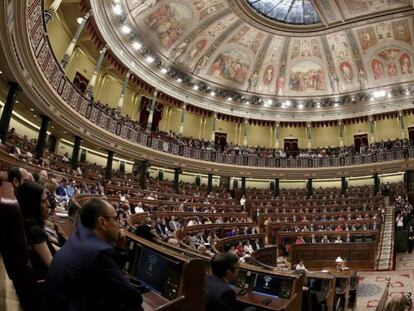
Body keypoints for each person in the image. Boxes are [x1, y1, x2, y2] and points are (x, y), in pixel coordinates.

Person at [46, 198, 143, 310]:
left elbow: (108, 273)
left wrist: (119, 247)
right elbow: (132, 296)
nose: (120, 224)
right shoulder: (99, 252)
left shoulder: (78, 238)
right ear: (102, 222)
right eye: (116, 219)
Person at [17, 181, 54, 280]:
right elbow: (53, 266)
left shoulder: (31, 223)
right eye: (43, 201)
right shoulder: (34, 230)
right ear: (32, 205)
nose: (48, 204)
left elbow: (52, 247)